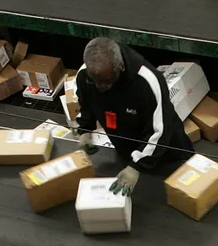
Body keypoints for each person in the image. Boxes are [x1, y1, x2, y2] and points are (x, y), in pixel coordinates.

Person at [75, 37, 192, 196]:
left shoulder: (147, 81)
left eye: (107, 81)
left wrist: (137, 166)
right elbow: (86, 102)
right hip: (128, 154)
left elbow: (160, 130)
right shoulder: (86, 75)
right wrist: (85, 130)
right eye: (94, 81)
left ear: (120, 67)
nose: (100, 87)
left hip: (168, 157)